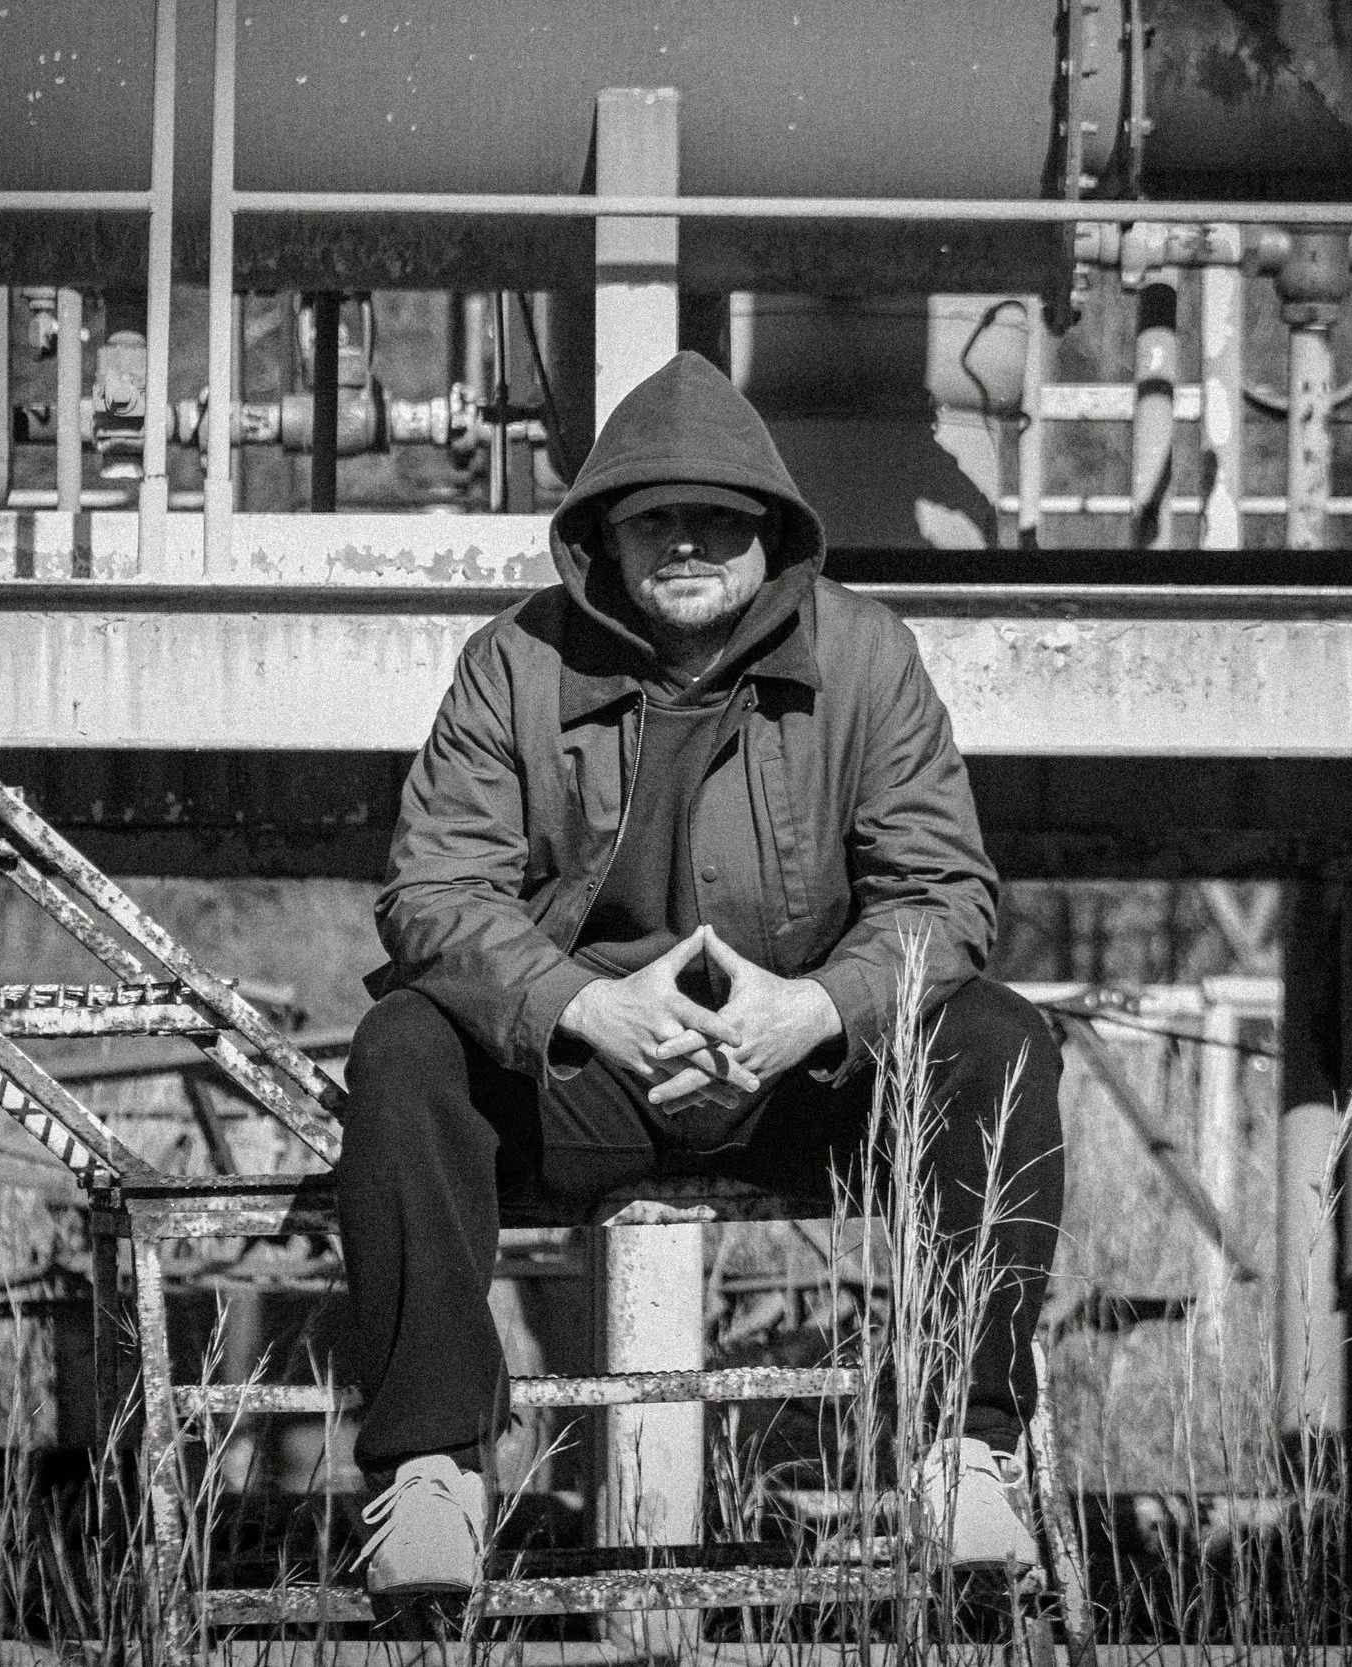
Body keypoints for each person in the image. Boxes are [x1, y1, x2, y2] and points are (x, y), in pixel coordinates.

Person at [337, 350, 1066, 1606]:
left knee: (998, 1038)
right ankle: (433, 1474)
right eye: (654, 518)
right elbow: (433, 895)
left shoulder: (866, 656)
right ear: (601, 539)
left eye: (718, 519)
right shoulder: (511, 664)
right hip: (579, 1079)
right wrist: (584, 1008)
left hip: (801, 1081)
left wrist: (817, 1009)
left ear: (770, 536)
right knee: (405, 1043)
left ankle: (964, 1445)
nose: (688, 543)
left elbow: (945, 896)